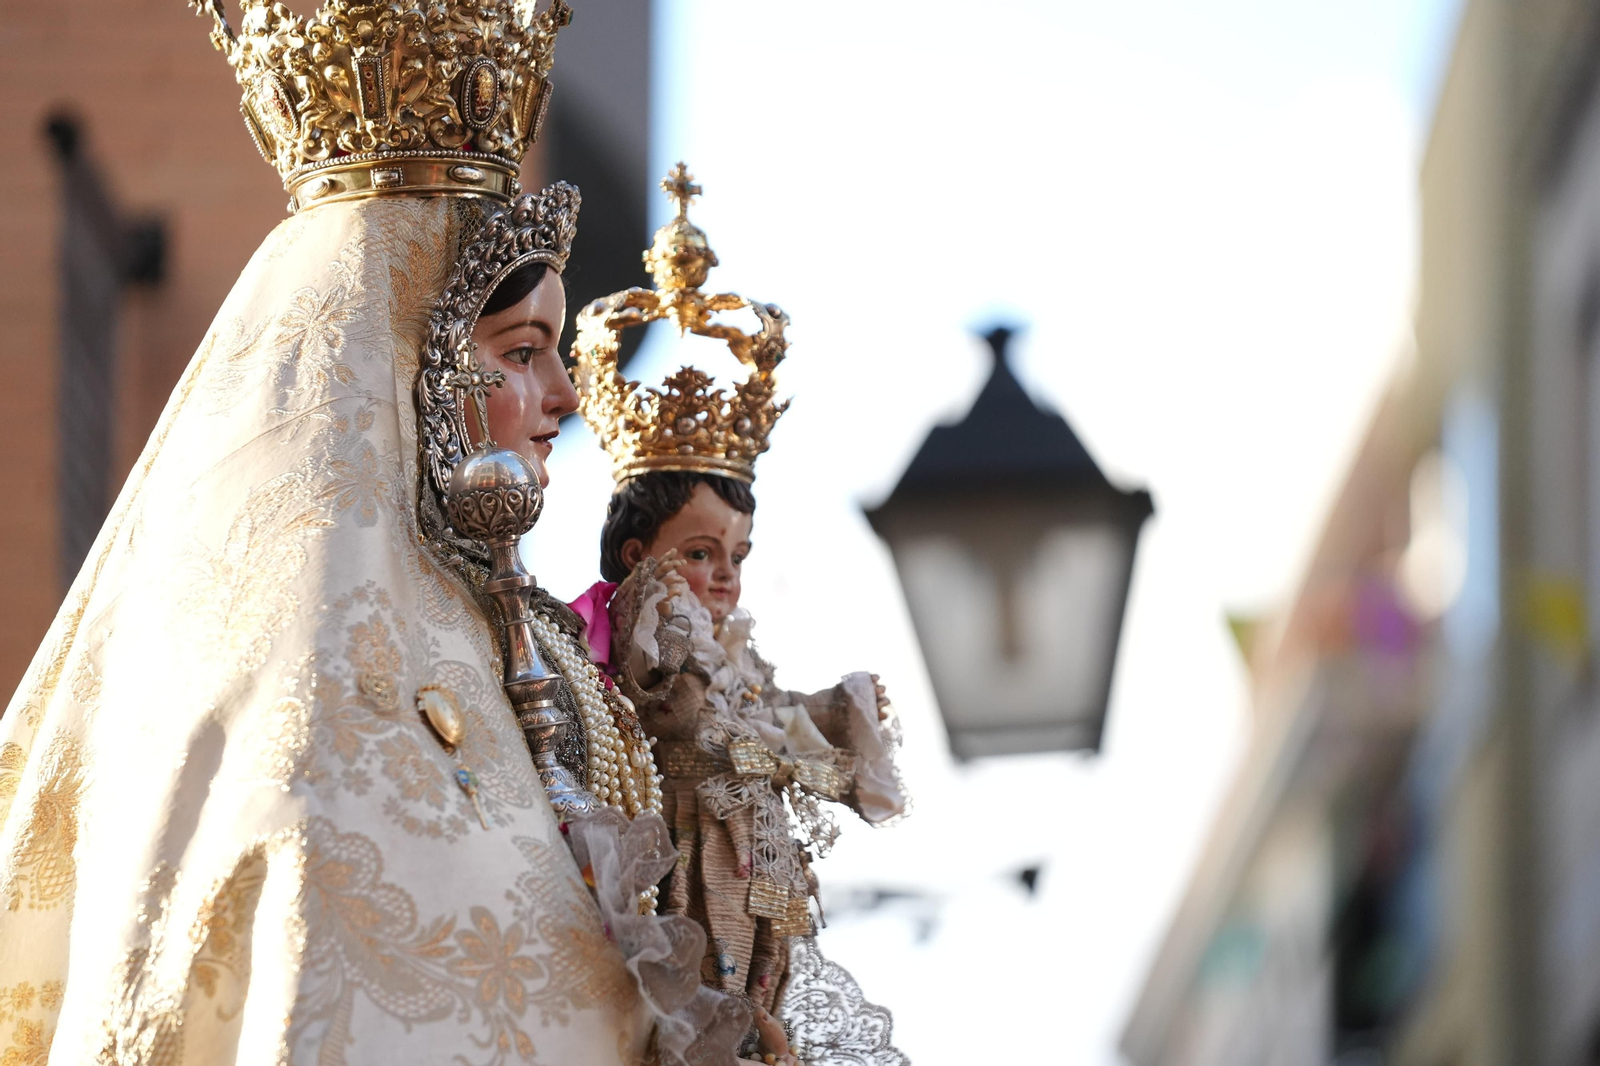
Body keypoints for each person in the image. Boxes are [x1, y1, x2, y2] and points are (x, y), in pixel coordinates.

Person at [0, 3, 734, 1062]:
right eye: (523, 348)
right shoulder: (287, 700)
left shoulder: (527, 657)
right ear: (406, 368)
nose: (565, 394)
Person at [570, 167, 910, 1066]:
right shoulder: (653, 635)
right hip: (683, 857)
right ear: (639, 559)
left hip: (752, 875)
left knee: (764, 992)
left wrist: (836, 717)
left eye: (736, 559)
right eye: (699, 554)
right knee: (705, 995)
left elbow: (765, 718)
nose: (722, 578)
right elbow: (685, 714)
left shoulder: (731, 656)